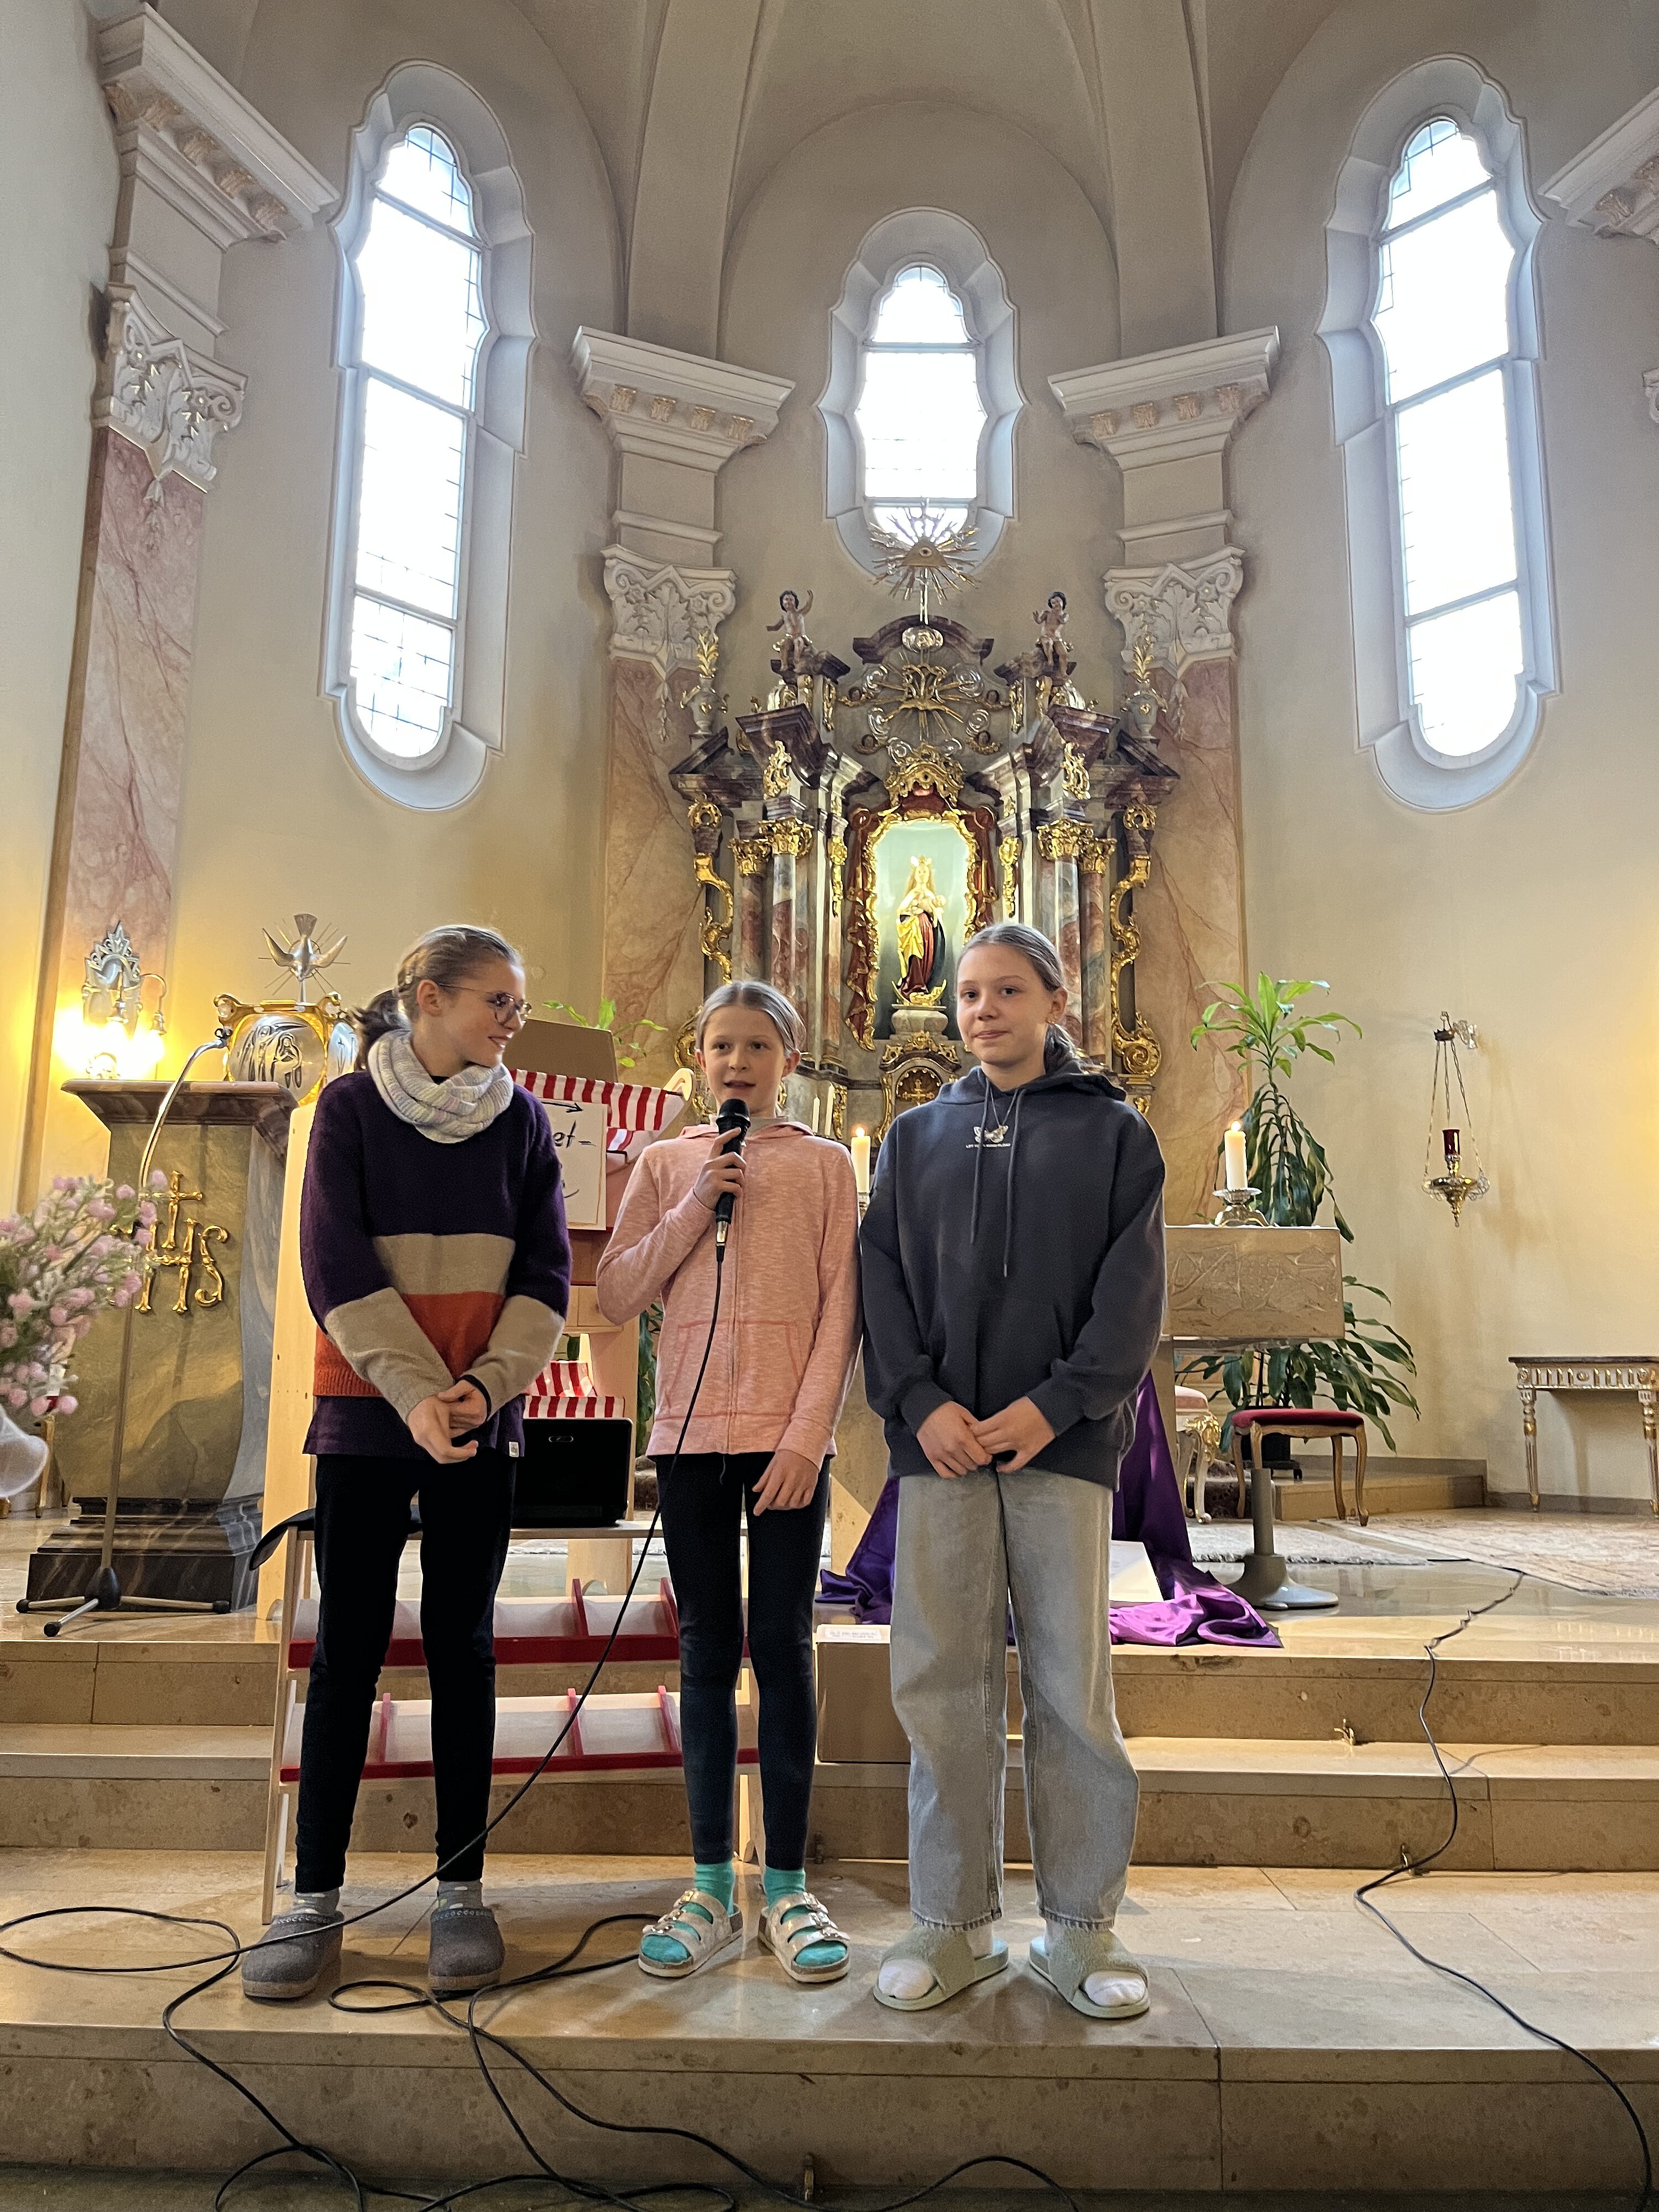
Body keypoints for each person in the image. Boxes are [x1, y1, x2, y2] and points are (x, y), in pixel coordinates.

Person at [243, 926, 568, 2004]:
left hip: (477, 1411)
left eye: (518, 1004)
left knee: (462, 1648)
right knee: (347, 1650)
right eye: (497, 1000)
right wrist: (416, 1393)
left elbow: (546, 1271)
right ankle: (314, 1897)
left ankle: (460, 1893)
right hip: (371, 1413)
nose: (513, 1020)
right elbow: (332, 1261)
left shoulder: (523, 1119)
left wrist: (484, 1386)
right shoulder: (346, 1108)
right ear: (429, 997)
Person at [859, 921, 1165, 2019]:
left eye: (1006, 991)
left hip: (1060, 1444)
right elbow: (881, 1277)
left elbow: (1132, 1294)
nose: (983, 1010)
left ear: (1054, 999)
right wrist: (919, 1402)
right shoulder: (916, 1136)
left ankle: (1081, 1928)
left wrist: (1056, 1405)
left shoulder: (1115, 1132)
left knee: (1071, 1687)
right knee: (941, 1683)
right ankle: (950, 1923)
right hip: (939, 1446)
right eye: (969, 993)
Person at [596, 981, 860, 1986]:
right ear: (698, 1058)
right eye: (721, 1046)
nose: (738, 1063)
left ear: (788, 1058)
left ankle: (786, 1886)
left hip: (788, 1447)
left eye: (757, 1046)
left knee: (784, 1649)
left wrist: (806, 1439)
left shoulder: (827, 1166)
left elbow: (841, 1312)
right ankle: (710, 1884)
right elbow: (617, 1293)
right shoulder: (668, 1164)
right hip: (690, 1442)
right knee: (706, 1652)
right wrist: (694, 1203)